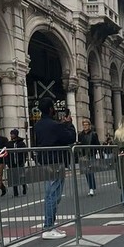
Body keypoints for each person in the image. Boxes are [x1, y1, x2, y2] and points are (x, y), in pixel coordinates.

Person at [34, 97, 76, 239]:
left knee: (49, 194)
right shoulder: (55, 125)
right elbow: (70, 138)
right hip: (56, 162)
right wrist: (69, 124)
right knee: (53, 195)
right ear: (51, 109)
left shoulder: (38, 125)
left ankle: (49, 223)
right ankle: (48, 226)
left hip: (45, 163)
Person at [78, 118, 100, 196]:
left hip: (91, 154)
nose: (85, 126)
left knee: (90, 171)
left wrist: (98, 153)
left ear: (89, 125)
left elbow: (97, 144)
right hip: (84, 156)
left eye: (86, 124)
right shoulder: (80, 135)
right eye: (83, 125)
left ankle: (91, 188)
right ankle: (91, 187)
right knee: (86, 172)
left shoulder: (94, 134)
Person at [6, 128, 28, 197]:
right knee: (14, 178)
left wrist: (23, 160)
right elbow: (7, 153)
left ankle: (24, 186)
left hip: (20, 162)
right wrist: (8, 162)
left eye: (13, 134)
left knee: (21, 176)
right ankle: (15, 192)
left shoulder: (21, 143)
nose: (11, 135)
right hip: (12, 163)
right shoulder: (9, 144)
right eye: (11, 134)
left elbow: (25, 153)